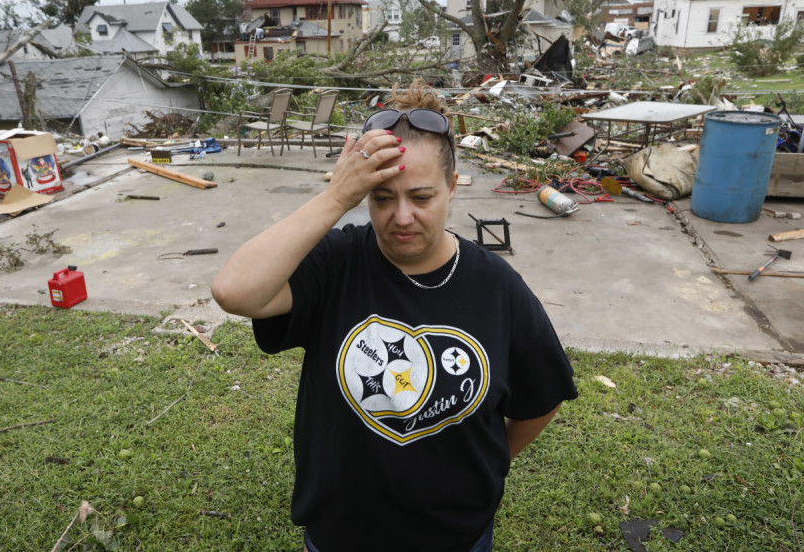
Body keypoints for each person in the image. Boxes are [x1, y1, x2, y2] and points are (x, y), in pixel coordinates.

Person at [211, 80, 578, 552]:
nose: (402, 217)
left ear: (452, 187)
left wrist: (486, 464)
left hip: (455, 536)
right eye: (382, 198)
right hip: (340, 535)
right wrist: (334, 198)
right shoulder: (337, 263)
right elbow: (234, 291)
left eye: (421, 197)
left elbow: (543, 395)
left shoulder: (496, 286)